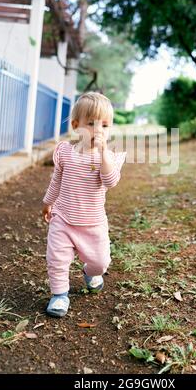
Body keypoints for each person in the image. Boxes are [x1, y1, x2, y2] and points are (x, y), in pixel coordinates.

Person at [42, 92, 127, 317]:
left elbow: (111, 182)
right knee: (57, 259)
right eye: (91, 123)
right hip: (63, 218)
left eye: (105, 125)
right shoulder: (65, 153)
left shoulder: (108, 158)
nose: (98, 130)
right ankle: (59, 295)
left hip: (93, 224)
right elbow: (56, 181)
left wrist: (102, 155)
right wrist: (48, 202)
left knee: (101, 262)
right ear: (76, 125)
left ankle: (91, 272)